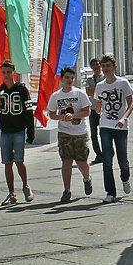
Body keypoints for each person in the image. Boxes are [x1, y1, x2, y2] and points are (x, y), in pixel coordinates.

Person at [91, 54, 133, 203]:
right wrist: (97, 109)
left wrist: (123, 118)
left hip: (121, 126)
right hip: (105, 125)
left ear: (114, 67)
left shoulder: (123, 83)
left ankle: (125, 178)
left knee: (123, 160)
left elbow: (131, 104)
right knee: (107, 159)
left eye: (108, 66)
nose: (105, 69)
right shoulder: (100, 86)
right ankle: (110, 192)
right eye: (103, 66)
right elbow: (98, 109)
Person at [0, 60, 35, 205]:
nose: (6, 75)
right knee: (7, 162)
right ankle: (11, 193)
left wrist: (30, 130)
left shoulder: (21, 90)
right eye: (3, 73)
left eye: (9, 72)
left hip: (18, 130)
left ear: (14, 73)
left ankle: (25, 186)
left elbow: (28, 111)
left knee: (19, 160)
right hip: (5, 130)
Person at [48, 67, 93, 203]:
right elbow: (51, 114)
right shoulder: (56, 96)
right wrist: (62, 117)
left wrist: (73, 115)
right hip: (64, 132)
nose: (69, 80)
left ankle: (87, 178)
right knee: (66, 161)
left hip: (80, 132)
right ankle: (67, 190)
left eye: (72, 78)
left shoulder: (79, 94)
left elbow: (87, 111)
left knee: (81, 161)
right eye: (67, 78)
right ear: (62, 79)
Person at [84, 58, 105, 164]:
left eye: (97, 64)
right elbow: (89, 92)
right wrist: (99, 89)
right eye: (93, 65)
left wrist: (95, 89)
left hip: (103, 110)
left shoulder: (104, 77)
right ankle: (99, 154)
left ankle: (107, 152)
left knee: (104, 133)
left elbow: (104, 91)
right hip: (92, 110)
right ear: (91, 67)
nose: (96, 66)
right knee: (93, 134)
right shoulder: (89, 79)